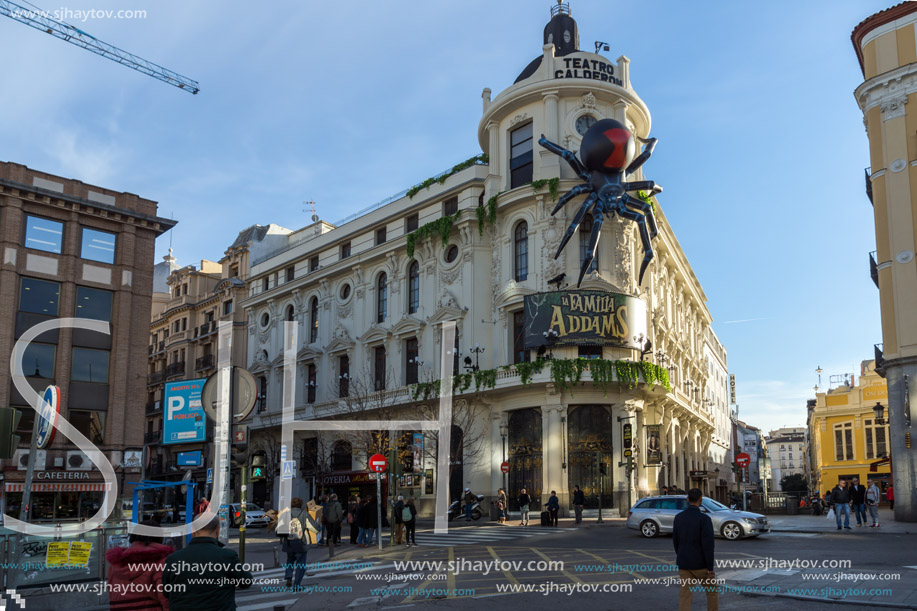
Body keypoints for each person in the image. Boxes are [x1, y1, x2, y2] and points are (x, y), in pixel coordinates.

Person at [162, 515, 253, 610]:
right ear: (218, 530)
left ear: (193, 531)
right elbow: (245, 582)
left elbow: (166, 591)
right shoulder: (227, 556)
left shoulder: (173, 559)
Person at [106, 519, 174, 611]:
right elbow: (165, 598)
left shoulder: (116, 563)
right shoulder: (159, 561)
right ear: (159, 537)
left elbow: (113, 595)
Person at [673, 488, 718, 611]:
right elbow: (708, 546)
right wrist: (710, 568)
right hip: (701, 565)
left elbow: (675, 541)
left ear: (687, 500)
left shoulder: (678, 517)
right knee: (712, 591)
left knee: (685, 594)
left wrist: (681, 556)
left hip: (683, 563)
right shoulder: (704, 519)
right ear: (700, 500)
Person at [277, 498, 309, 588]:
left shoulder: (285, 514)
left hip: (289, 542)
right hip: (301, 543)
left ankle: (288, 577)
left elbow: (279, 528)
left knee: (290, 560)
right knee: (300, 563)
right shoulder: (304, 514)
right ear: (301, 505)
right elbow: (313, 527)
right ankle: (297, 584)